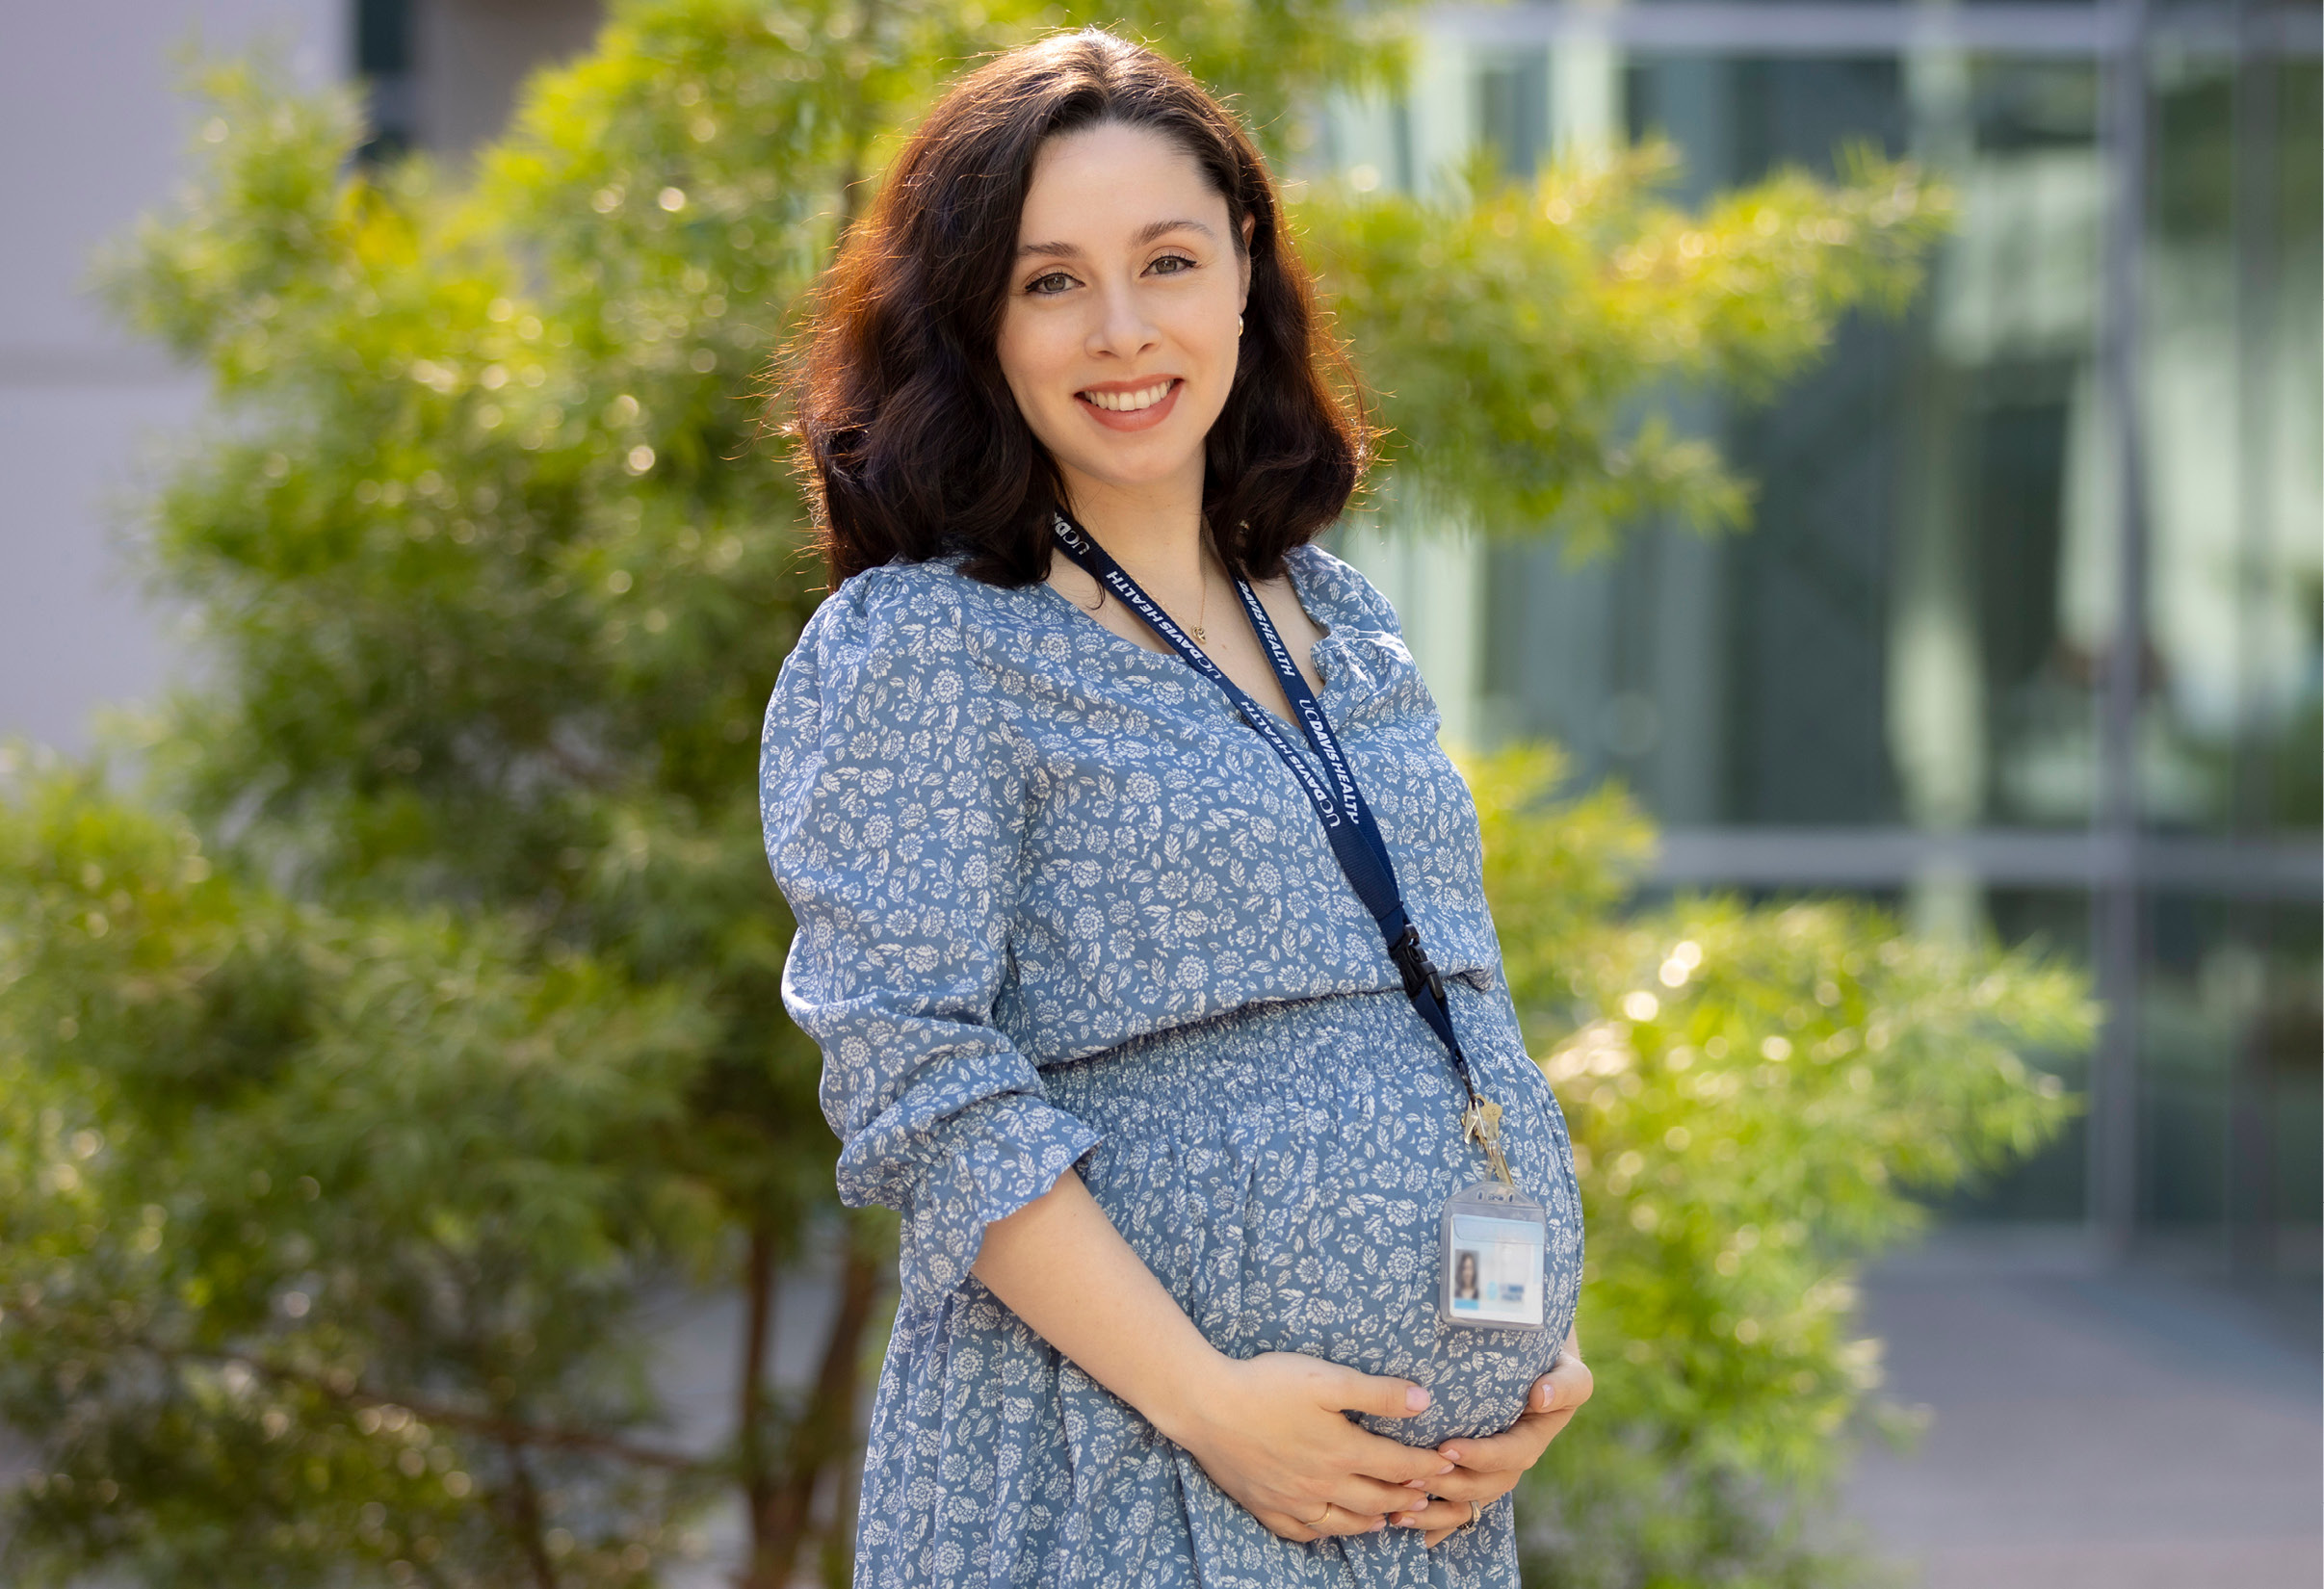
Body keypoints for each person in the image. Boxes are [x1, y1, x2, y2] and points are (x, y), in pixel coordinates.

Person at [761, 28, 1592, 1585]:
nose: (1123, 328)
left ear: (1243, 272)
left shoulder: (1337, 619)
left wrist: (1530, 1361)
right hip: (1120, 1471)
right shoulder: (929, 646)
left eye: (1166, 260)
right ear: (973, 323)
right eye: (1050, 279)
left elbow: (1453, 1009)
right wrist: (1208, 1401)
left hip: (1416, 1506)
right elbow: (920, 1083)